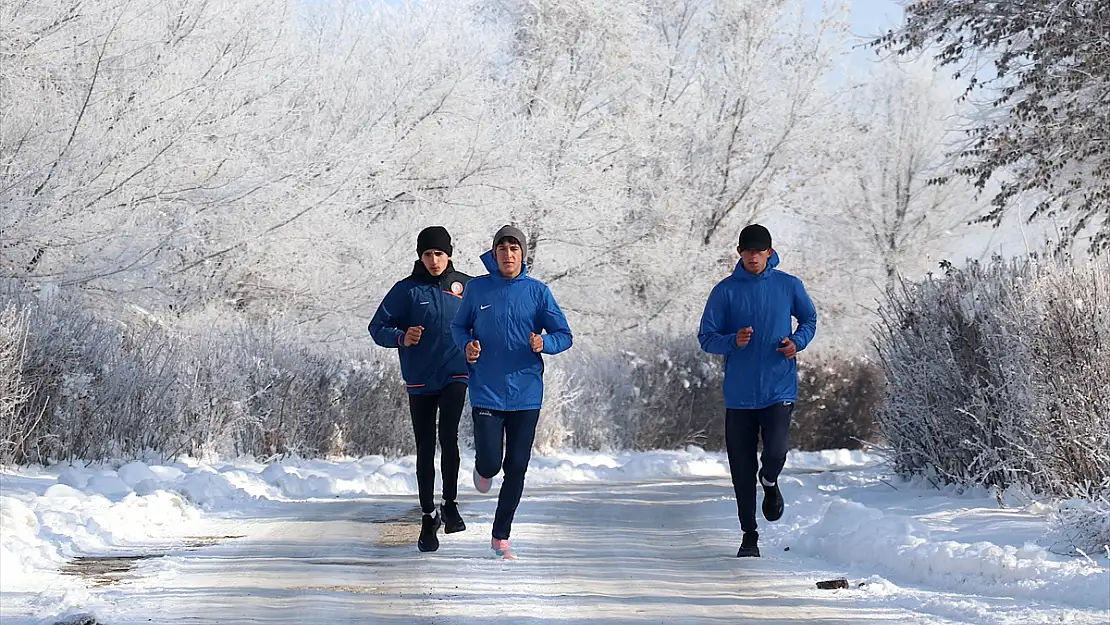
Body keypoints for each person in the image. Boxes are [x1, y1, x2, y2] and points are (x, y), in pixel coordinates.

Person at [450, 225, 573, 559]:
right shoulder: (477, 290)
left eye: (514, 249)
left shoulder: (538, 292)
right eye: (502, 249)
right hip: (487, 389)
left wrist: (544, 342)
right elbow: (459, 326)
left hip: (526, 392)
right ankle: (483, 469)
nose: (508, 255)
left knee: (516, 467)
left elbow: (564, 334)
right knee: (491, 463)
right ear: (494, 254)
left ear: (522, 254)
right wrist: (467, 345)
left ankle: (500, 536)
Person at [697, 224, 817, 558]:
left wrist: (797, 342)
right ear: (739, 253)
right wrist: (731, 341)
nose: (753, 257)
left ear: (769, 252)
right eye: (747, 251)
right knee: (740, 467)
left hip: (779, 387)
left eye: (759, 251)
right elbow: (706, 337)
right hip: (738, 393)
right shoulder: (724, 292)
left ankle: (770, 480)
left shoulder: (788, 285)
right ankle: (749, 534)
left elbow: (809, 320)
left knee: (776, 451)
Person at [369, 226, 472, 553]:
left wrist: (476, 346)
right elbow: (377, 328)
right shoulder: (406, 290)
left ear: (449, 254)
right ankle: (428, 517)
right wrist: (402, 337)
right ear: (420, 256)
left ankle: (450, 504)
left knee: (449, 437)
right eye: (427, 254)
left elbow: (484, 323)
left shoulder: (465, 287)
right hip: (420, 378)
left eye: (439, 254)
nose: (433, 260)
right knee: (425, 446)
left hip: (456, 374)